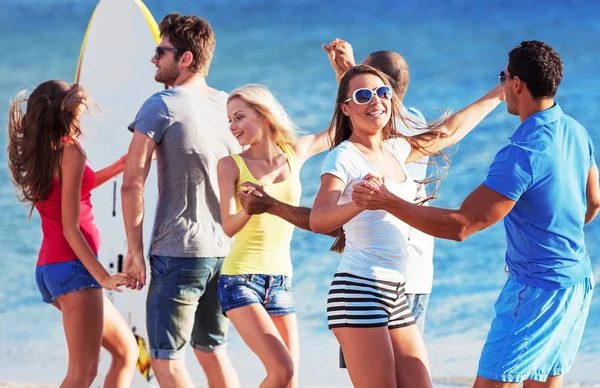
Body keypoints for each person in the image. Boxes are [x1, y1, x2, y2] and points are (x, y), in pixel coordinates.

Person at [352, 40, 600, 388]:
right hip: (577, 284)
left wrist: (388, 201)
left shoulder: (522, 152)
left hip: (536, 291)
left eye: (504, 77)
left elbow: (462, 226)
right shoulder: (576, 130)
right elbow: (593, 203)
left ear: (515, 84)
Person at [322, 38, 504, 368]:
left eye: (380, 92)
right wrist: (499, 92)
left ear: (387, 91)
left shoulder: (397, 137)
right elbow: (321, 217)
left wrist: (348, 73)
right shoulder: (360, 147)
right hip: (372, 285)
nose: (375, 100)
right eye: (363, 93)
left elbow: (440, 130)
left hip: (402, 283)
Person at [121, 14, 240, 388]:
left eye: (161, 51)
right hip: (223, 250)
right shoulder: (227, 106)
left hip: (179, 251)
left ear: (185, 58)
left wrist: (134, 250)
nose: (154, 59)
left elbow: (131, 183)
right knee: (212, 350)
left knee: (166, 361)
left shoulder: (162, 105)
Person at [6, 80, 138, 388]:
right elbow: (70, 226)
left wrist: (117, 167)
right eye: (79, 107)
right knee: (83, 373)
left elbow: (70, 192)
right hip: (75, 270)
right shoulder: (71, 151)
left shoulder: (42, 152)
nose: (83, 113)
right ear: (66, 112)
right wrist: (103, 276)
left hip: (52, 270)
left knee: (125, 351)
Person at [216, 84, 333, 387]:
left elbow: (340, 128)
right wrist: (250, 209)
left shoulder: (294, 153)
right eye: (230, 120)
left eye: (239, 117)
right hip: (240, 279)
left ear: (265, 115)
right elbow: (228, 226)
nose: (233, 126)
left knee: (289, 381)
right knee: (283, 370)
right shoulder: (230, 165)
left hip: (281, 281)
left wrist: (342, 71)